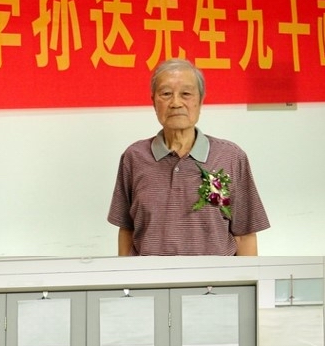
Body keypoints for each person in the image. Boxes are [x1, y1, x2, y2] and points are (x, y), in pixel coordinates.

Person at [108, 58, 270, 256]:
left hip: (215, 276)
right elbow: (127, 230)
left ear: (200, 101)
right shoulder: (134, 157)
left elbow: (244, 235)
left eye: (186, 94)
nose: (176, 103)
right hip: (150, 275)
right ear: (154, 102)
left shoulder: (231, 157)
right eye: (166, 94)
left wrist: (247, 274)